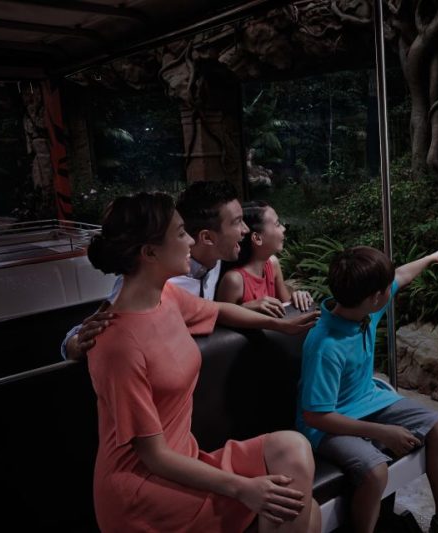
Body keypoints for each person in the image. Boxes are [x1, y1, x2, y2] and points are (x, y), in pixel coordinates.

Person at [86, 191, 320, 532]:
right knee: (305, 511)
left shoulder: (166, 297)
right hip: (143, 486)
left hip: (186, 457)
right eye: (181, 233)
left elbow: (217, 310)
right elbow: (153, 456)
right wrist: (245, 488)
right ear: (150, 253)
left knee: (293, 451)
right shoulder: (118, 344)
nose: (191, 241)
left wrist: (277, 324)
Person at [297, 245, 438, 533]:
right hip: (329, 425)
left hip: (368, 399)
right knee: (374, 471)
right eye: (385, 288)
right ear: (375, 298)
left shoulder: (364, 310)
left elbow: (403, 274)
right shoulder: (325, 345)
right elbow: (315, 416)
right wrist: (382, 432)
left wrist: (432, 257)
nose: (389, 289)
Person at [63, 181, 318, 360]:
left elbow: (215, 308)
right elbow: (100, 326)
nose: (246, 231)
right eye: (238, 222)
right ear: (207, 237)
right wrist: (75, 344)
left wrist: (288, 307)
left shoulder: (221, 257)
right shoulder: (160, 282)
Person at [216, 201, 313, 317]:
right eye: (277, 224)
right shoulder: (234, 280)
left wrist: (297, 298)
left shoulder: (272, 264)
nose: (283, 228)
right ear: (257, 238)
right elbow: (220, 322)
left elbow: (287, 310)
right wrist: (244, 309)